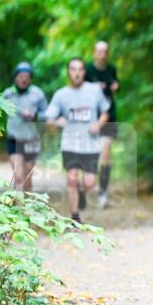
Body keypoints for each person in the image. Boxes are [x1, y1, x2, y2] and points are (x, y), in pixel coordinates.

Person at [45, 58, 109, 222]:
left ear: (84, 72)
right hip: (70, 143)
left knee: (89, 182)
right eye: (73, 69)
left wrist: (98, 124)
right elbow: (48, 119)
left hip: (91, 144)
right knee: (72, 178)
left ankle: (81, 193)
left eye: (80, 69)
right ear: (68, 72)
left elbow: (105, 112)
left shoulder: (94, 90)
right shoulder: (61, 94)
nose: (77, 73)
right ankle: (75, 217)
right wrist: (56, 122)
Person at [85, 40, 120, 209]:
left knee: (105, 154)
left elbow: (116, 84)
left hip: (109, 116)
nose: (102, 54)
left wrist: (115, 86)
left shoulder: (111, 69)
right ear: (94, 53)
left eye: (105, 51)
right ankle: (85, 187)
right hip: (90, 117)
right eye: (99, 51)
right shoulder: (86, 70)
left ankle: (103, 194)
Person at [3, 62, 48, 192]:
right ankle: (19, 211)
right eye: (21, 75)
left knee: (27, 181)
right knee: (18, 177)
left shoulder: (37, 94)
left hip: (31, 141)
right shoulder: (7, 94)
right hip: (14, 139)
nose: (24, 78)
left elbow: (47, 114)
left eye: (27, 76)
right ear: (15, 77)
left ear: (31, 79)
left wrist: (35, 115)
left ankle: (28, 209)